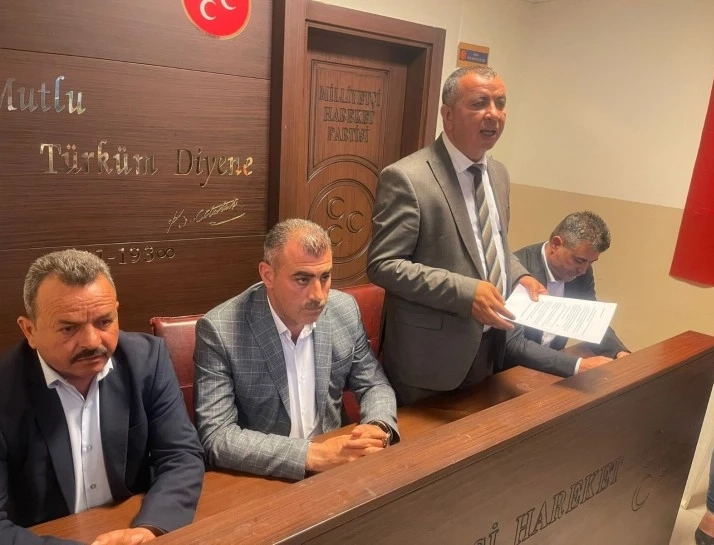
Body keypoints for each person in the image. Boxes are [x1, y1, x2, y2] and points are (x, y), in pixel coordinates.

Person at [367, 66, 610, 405]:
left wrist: (519, 274)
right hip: (429, 359)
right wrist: (466, 292)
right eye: (479, 103)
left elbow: (491, 247)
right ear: (448, 115)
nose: (493, 114)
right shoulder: (408, 177)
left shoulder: (498, 174)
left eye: (500, 103)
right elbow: (383, 265)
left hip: (490, 348)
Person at [0, 249, 204, 545]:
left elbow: (180, 455)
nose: (92, 341)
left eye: (104, 322)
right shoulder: (6, 389)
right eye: (68, 328)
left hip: (128, 522)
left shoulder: (147, 360)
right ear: (30, 330)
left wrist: (150, 529)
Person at [194, 219, 399, 481]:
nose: (318, 296)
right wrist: (311, 455)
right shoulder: (221, 330)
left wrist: (377, 426)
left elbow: (373, 384)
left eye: (325, 277)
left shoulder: (343, 310)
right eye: (302, 279)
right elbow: (217, 436)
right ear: (268, 275)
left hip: (340, 464)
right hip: (265, 477)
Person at [514, 211, 629, 358]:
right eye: (579, 260)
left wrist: (619, 352)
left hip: (553, 362)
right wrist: (577, 365)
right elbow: (514, 344)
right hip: (510, 366)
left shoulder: (583, 273)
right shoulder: (519, 271)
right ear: (556, 244)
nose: (583, 270)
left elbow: (590, 320)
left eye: (591, 262)